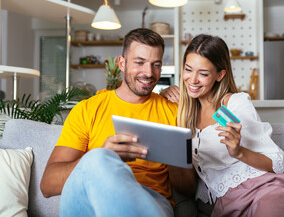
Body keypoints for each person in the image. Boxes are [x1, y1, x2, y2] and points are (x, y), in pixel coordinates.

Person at [40, 28, 196, 217]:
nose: (148, 73)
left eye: (156, 64)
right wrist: (104, 157)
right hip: (93, 197)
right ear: (122, 63)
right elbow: (47, 185)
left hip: (150, 199)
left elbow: (188, 189)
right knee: (97, 158)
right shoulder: (88, 109)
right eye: (140, 62)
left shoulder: (172, 111)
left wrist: (172, 152)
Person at [162, 34, 284, 216]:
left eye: (203, 73)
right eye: (188, 69)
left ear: (220, 75)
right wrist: (164, 93)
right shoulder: (184, 114)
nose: (192, 80)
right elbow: (187, 186)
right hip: (225, 208)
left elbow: (277, 161)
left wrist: (239, 152)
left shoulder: (234, 103)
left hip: (263, 193)